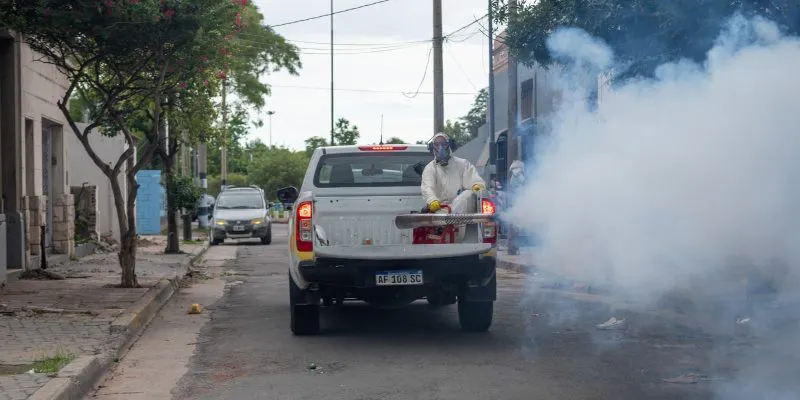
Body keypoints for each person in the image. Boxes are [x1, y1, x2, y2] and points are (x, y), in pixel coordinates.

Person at [420, 132, 486, 214]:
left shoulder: (463, 164)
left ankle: (454, 218)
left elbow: (473, 179)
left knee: (468, 194)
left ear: (449, 145)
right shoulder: (430, 168)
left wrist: (476, 185)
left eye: (443, 144)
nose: (440, 148)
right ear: (432, 147)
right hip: (440, 210)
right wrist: (432, 200)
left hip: (462, 213)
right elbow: (427, 188)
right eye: (437, 144)